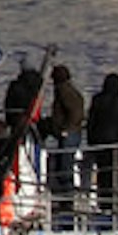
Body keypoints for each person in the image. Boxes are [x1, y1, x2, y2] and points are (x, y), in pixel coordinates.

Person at [85, 72, 118, 210]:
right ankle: (116, 201)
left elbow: (91, 121)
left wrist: (91, 141)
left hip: (99, 143)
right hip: (116, 143)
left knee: (102, 173)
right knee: (116, 172)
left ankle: (103, 202)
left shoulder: (97, 100)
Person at [42, 64, 85, 198]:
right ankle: (66, 195)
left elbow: (76, 112)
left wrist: (66, 128)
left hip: (69, 134)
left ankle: (67, 196)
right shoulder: (68, 90)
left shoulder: (64, 91)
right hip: (71, 133)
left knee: (65, 166)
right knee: (64, 164)